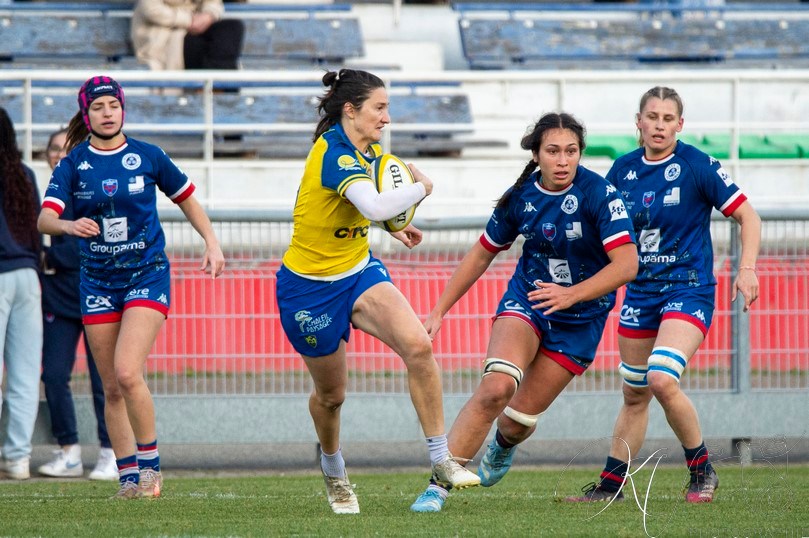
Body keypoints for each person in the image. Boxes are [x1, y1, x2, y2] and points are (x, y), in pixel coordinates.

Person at [275, 68, 482, 515]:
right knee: (332, 397)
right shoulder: (334, 153)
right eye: (379, 108)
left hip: (358, 271)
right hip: (308, 289)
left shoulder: (368, 153)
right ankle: (333, 468)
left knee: (418, 346)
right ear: (351, 111)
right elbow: (372, 203)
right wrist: (422, 188)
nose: (387, 118)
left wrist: (395, 227)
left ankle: (441, 458)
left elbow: (366, 209)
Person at [409, 112, 639, 513]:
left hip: (581, 320)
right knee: (496, 388)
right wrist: (439, 310)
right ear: (536, 155)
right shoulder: (521, 197)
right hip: (528, 301)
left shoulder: (601, 195)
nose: (563, 161)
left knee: (515, 423)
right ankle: (437, 488)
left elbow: (627, 264)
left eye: (571, 151)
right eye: (553, 151)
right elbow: (482, 253)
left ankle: (502, 445)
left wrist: (571, 295)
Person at [561, 86, 761, 504]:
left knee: (661, 377)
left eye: (668, 119)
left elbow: (748, 216)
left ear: (680, 125)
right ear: (639, 121)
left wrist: (746, 270)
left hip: (688, 289)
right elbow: (604, 232)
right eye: (652, 117)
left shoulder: (697, 165)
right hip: (640, 294)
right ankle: (611, 486)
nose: (659, 125)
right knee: (635, 394)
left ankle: (702, 470)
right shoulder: (623, 169)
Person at [37, 75, 225, 499]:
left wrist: (211, 242)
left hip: (146, 274)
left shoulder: (148, 155)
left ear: (123, 109)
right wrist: (69, 225)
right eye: (98, 107)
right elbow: (45, 219)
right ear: (86, 114)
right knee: (111, 386)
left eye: (113, 105)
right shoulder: (73, 164)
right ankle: (127, 478)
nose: (108, 113)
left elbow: (187, 198)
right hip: (97, 281)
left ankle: (150, 468)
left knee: (126, 371)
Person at [37, 128, 118, 481]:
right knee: (54, 375)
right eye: (54, 149)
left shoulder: (95, 190)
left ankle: (111, 452)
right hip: (58, 299)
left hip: (97, 295)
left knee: (105, 380)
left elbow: (95, 244)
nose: (59, 155)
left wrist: (52, 257)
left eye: (66, 150)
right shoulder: (47, 197)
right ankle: (68, 451)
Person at [0, 106, 43, 481]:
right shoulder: (25, 175)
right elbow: (37, 232)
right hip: (28, 277)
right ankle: (18, 458)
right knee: (25, 375)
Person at [131, 0, 245, 71]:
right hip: (162, 34)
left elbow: (213, 4)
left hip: (194, 29)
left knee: (232, 28)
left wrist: (208, 16)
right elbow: (151, 10)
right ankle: (218, 90)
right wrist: (189, 20)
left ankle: (215, 88)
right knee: (207, 49)